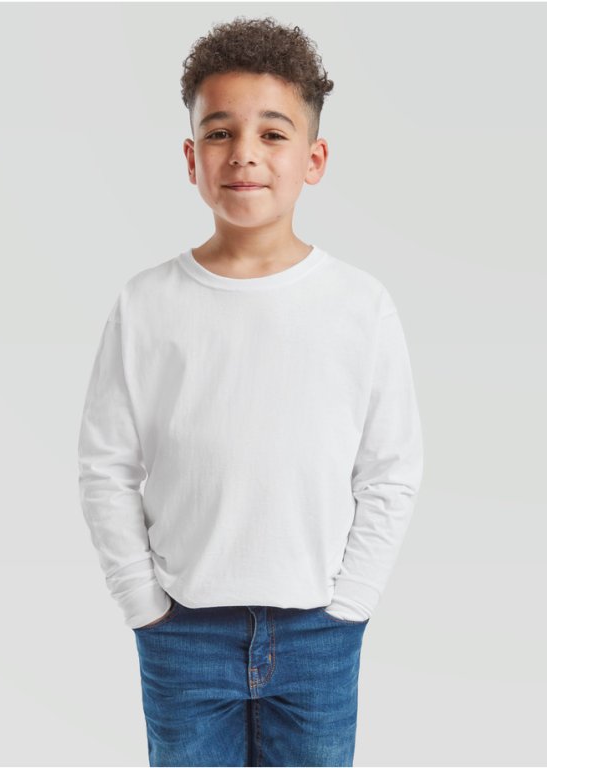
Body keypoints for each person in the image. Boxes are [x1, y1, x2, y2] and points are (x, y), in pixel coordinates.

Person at [77, 16, 423, 767]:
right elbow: (106, 465)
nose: (244, 154)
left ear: (314, 158)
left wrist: (352, 602)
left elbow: (390, 468)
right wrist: (142, 603)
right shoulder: (147, 304)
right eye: (219, 133)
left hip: (318, 631)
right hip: (184, 630)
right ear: (191, 158)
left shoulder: (359, 306)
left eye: (272, 133)